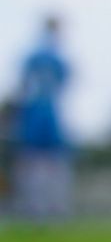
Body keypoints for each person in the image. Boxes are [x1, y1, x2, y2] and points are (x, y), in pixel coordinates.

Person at [11, 15, 73, 219]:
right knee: (49, 162)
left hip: (35, 112)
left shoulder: (33, 55)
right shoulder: (56, 57)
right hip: (45, 112)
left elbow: (23, 85)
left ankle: (36, 208)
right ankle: (52, 208)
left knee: (36, 162)